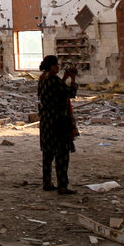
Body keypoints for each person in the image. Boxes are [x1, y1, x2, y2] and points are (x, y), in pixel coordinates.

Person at [37, 55, 79, 195]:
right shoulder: (54, 80)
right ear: (51, 66)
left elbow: (56, 91)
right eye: (56, 65)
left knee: (48, 153)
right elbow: (70, 93)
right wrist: (72, 79)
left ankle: (47, 182)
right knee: (62, 154)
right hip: (59, 121)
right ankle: (62, 185)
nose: (58, 67)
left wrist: (65, 78)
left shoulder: (43, 78)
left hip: (47, 121)